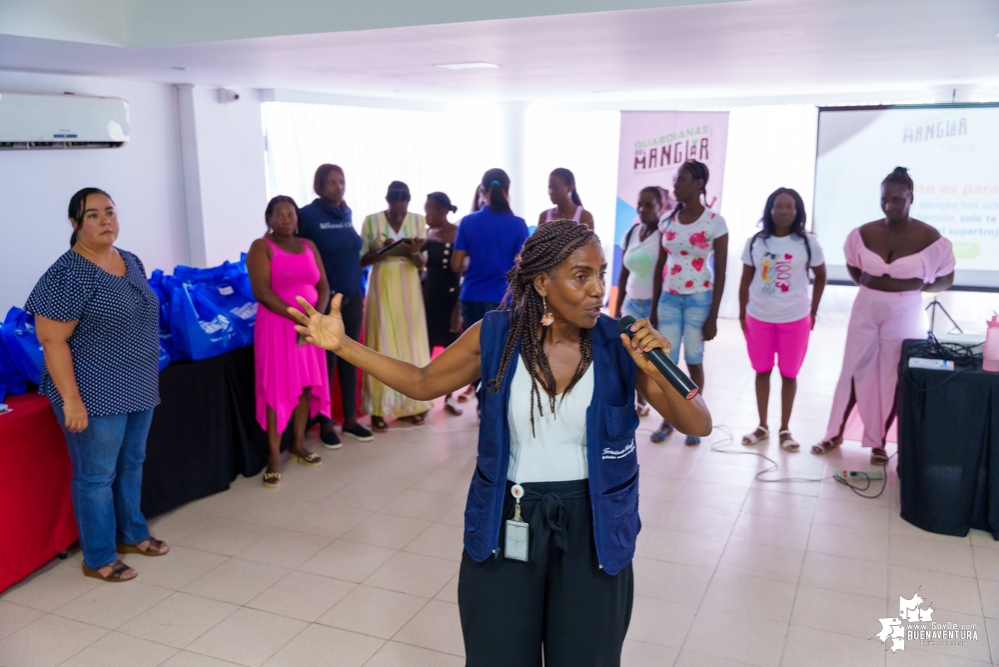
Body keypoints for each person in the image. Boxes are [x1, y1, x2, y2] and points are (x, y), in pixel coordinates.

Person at [289, 219, 712, 666]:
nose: (597, 290)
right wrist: (343, 346)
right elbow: (421, 381)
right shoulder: (495, 336)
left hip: (595, 526)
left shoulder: (619, 343)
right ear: (542, 281)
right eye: (581, 275)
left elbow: (698, 422)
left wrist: (655, 369)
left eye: (601, 275)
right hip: (507, 517)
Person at [28, 188, 168, 582]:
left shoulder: (129, 259)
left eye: (109, 211)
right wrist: (71, 401)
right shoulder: (67, 273)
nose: (105, 220)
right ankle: (99, 556)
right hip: (92, 391)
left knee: (132, 463)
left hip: (137, 382)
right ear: (75, 224)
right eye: (93, 215)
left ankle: (132, 533)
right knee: (96, 476)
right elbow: (51, 339)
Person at [812, 167, 954, 464]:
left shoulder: (930, 237)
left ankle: (878, 444)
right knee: (853, 368)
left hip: (905, 309)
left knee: (892, 375)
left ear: (910, 197)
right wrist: (871, 286)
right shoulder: (864, 232)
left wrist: (919, 286)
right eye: (884, 199)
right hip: (866, 306)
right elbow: (854, 267)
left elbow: (946, 278)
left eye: (897, 199)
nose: (889, 205)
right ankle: (833, 434)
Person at [246, 196, 330, 488]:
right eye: (278, 215)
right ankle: (273, 457)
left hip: (309, 326)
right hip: (277, 325)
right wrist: (298, 316)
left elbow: (323, 285)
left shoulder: (309, 245)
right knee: (277, 386)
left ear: (297, 218)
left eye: (290, 214)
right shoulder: (261, 247)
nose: (285, 220)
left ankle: (297, 444)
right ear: (268, 218)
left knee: (305, 383)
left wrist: (315, 316)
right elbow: (262, 292)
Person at [738, 188, 827, 452]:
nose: (785, 211)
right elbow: (745, 279)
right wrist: (742, 313)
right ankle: (762, 426)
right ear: (770, 210)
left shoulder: (809, 243)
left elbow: (821, 276)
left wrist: (813, 311)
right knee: (761, 371)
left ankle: (785, 429)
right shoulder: (755, 242)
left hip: (795, 318)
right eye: (779, 206)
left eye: (790, 206)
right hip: (759, 317)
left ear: (798, 211)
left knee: (789, 374)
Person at [650, 160, 728, 445]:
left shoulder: (715, 223)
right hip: (669, 299)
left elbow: (721, 272)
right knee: (667, 362)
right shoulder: (667, 220)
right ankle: (669, 419)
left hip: (699, 300)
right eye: (675, 179)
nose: (675, 185)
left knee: (694, 360)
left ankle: (695, 418)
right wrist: (654, 307)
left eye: (681, 180)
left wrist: (714, 317)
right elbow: (661, 262)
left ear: (698, 184)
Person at [298, 164, 374, 448]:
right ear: (319, 187)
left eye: (341, 181)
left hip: (354, 296)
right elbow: (300, 254)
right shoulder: (307, 216)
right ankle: (326, 422)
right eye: (331, 182)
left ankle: (351, 421)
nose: (338, 186)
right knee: (326, 363)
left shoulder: (346, 212)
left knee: (350, 357)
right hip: (327, 303)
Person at [359, 181, 434, 431]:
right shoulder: (371, 222)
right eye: (395, 197)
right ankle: (379, 408)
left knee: (410, 344)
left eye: (404, 198)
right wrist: (380, 251)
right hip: (382, 286)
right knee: (382, 344)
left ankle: (412, 405)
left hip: (409, 287)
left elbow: (421, 263)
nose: (400, 203)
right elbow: (361, 261)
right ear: (387, 199)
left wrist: (413, 252)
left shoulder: (418, 221)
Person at [452, 168, 529, 329]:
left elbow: (456, 265)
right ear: (507, 190)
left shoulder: (467, 222)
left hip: (471, 297)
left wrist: (473, 261)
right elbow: (522, 265)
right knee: (501, 352)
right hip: (504, 299)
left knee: (474, 351)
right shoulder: (518, 224)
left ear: (482, 190)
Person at [613, 186, 664, 416]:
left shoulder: (664, 235)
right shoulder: (632, 233)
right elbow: (623, 273)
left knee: (651, 355)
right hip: (631, 304)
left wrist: (654, 312)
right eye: (640, 204)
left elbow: (661, 274)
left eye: (649, 205)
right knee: (628, 354)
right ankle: (634, 399)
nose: (643, 209)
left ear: (661, 207)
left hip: (653, 304)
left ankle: (648, 400)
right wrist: (616, 308)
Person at [423, 191, 464, 415]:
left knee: (451, 350)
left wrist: (457, 310)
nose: (425, 214)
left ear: (442, 211)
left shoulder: (458, 234)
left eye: (429, 209)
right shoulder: (427, 233)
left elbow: (462, 273)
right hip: (429, 297)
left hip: (450, 298)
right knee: (426, 346)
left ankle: (450, 396)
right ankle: (425, 397)